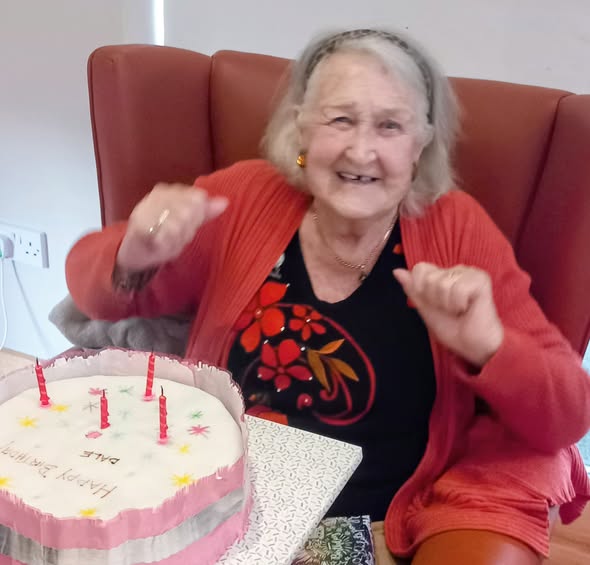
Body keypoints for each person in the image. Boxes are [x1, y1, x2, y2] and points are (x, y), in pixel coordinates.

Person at [66, 28, 590, 564]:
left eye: (390, 125)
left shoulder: (456, 230)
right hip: (218, 497)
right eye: (340, 119)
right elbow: (91, 290)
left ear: (422, 142)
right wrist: (134, 253)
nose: (361, 150)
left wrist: (490, 346)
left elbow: (569, 411)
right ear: (301, 128)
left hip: (368, 524)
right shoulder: (244, 197)